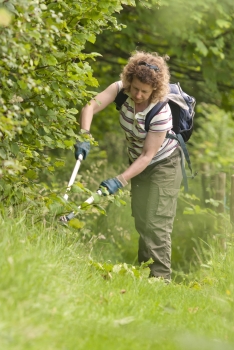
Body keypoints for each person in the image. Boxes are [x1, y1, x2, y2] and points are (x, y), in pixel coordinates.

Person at [75, 51, 182, 281]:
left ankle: (161, 281)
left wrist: (119, 180)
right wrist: (84, 135)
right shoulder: (120, 89)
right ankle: (146, 276)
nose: (138, 94)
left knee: (157, 222)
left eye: (145, 91)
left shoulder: (160, 111)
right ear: (130, 80)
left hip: (163, 164)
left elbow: (147, 155)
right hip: (138, 163)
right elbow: (90, 107)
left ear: (155, 89)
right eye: (135, 88)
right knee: (142, 218)